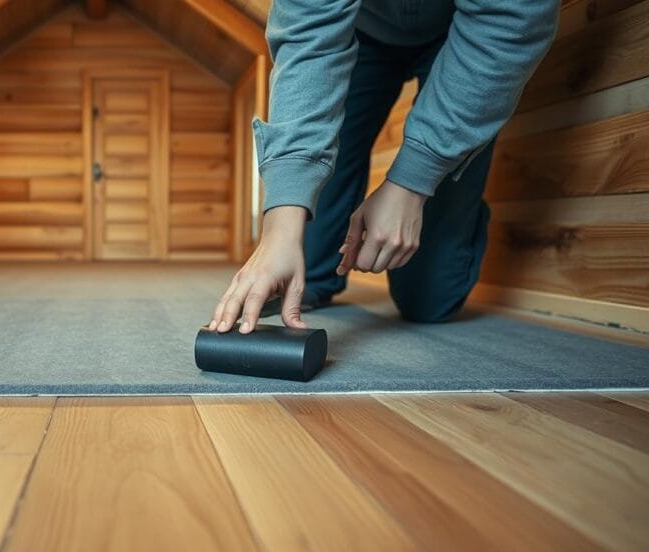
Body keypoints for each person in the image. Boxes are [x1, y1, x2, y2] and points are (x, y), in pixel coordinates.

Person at [209, 0, 559, 334]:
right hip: (358, 30)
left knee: (429, 300)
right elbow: (306, 36)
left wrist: (412, 183)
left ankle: (457, 207)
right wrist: (278, 228)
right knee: (304, 268)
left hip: (464, 36)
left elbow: (510, 22)